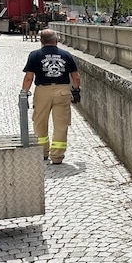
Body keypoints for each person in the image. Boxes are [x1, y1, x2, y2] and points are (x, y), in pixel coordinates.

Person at [21, 29, 81, 164]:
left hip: (42, 91)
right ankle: (57, 156)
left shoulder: (34, 55)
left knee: (40, 121)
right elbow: (76, 77)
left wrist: (24, 93)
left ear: (41, 41)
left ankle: (42, 152)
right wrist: (76, 90)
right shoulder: (66, 55)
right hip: (62, 91)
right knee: (61, 124)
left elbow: (29, 78)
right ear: (56, 40)